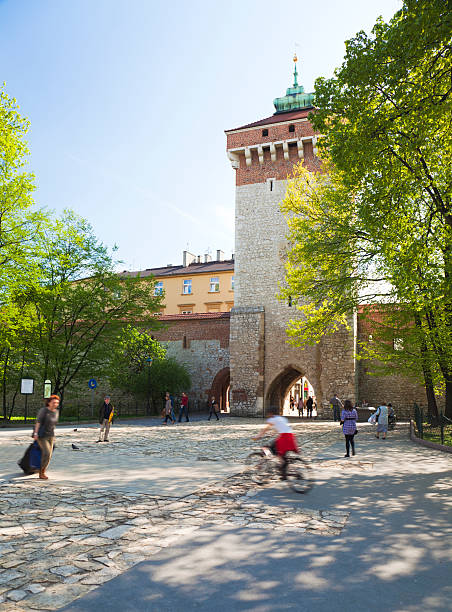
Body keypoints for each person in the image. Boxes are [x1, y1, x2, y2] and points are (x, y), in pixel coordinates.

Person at [252, 409, 298, 480]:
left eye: (268, 414)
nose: (268, 416)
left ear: (271, 414)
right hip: (291, 437)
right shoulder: (283, 418)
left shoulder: (272, 419)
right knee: (282, 455)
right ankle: (284, 474)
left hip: (284, 438)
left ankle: (275, 463)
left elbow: (265, 429)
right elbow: (282, 428)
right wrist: (272, 433)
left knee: (267, 448)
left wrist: (257, 436)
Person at [32, 394, 60, 480]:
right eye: (54, 402)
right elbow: (38, 422)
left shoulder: (56, 412)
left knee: (49, 455)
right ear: (49, 403)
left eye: (57, 403)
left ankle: (42, 471)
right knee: (46, 453)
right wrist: (35, 433)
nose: (55, 404)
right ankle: (41, 472)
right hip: (42, 435)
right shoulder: (43, 411)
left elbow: (53, 424)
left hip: (50, 435)